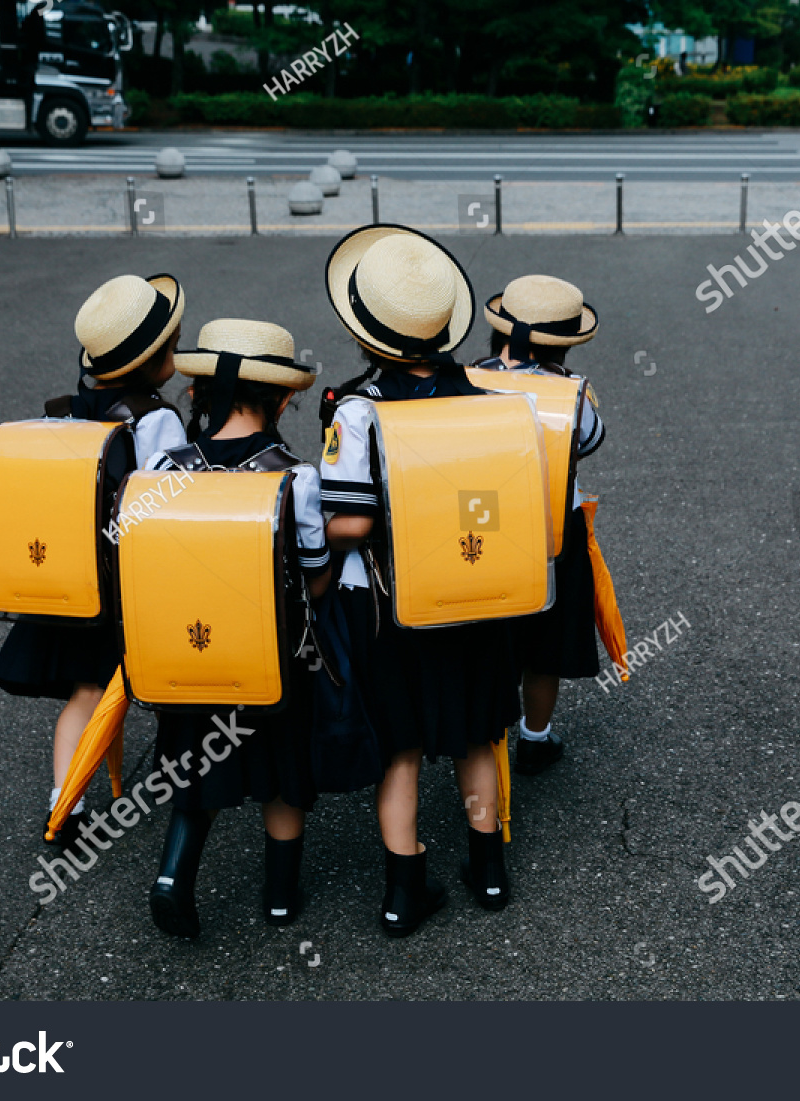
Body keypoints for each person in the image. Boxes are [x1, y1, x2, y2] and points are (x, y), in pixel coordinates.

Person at [318, 225, 521, 936]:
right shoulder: (484, 396)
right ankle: (489, 871)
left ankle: (404, 892)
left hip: (390, 608)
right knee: (474, 733)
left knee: (400, 746)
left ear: (368, 335)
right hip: (478, 598)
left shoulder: (358, 409)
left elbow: (348, 524)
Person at [139, 319, 330, 939]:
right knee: (282, 777)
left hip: (189, 657)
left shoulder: (164, 469)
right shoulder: (291, 476)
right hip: (271, 661)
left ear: (195, 395)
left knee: (194, 770)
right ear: (280, 400)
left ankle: (172, 878)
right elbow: (313, 575)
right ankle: (279, 898)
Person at [0, 273, 187, 844]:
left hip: (79, 576)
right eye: (170, 346)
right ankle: (180, 786)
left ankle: (64, 801)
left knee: (86, 692)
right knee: (168, 683)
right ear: (152, 365)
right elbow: (163, 500)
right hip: (132, 582)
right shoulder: (156, 419)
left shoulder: (64, 410)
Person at [472, 275, 604, 775]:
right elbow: (587, 442)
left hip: (477, 521)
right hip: (552, 529)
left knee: (485, 630)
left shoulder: (466, 380)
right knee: (545, 643)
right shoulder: (572, 392)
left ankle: (484, 731)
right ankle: (535, 735)